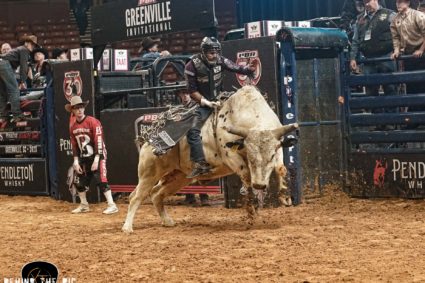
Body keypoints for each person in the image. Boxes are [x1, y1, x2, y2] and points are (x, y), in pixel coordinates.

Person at [184, 37, 256, 178]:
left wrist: (249, 69)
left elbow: (237, 68)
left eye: (216, 52)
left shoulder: (221, 60)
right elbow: (192, 91)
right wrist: (206, 102)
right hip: (202, 104)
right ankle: (200, 163)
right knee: (192, 131)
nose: (214, 55)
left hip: (221, 98)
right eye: (211, 53)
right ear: (203, 52)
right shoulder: (191, 66)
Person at [66, 96, 118, 214]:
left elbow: (99, 140)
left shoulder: (93, 122)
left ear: (84, 108)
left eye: (81, 107)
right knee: (78, 182)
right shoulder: (73, 127)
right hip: (84, 158)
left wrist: (96, 159)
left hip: (98, 155)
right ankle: (84, 205)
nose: (79, 110)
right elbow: (74, 144)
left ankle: (112, 204)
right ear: (73, 111)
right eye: (76, 108)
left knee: (101, 180)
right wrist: (75, 160)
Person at [350, 0, 397, 117]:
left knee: (390, 88)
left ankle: (392, 120)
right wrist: (352, 58)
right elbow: (355, 40)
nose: (366, 4)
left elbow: (398, 33)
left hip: (386, 57)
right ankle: (377, 120)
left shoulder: (390, 14)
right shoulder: (360, 19)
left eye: (368, 1)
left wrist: (398, 50)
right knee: (371, 91)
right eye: (364, 2)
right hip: (368, 59)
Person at [391, 0, 425, 115]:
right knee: (411, 85)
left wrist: (421, 49)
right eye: (397, 2)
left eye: (401, 2)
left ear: (407, 3)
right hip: (409, 56)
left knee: (422, 84)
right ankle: (415, 115)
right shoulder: (395, 19)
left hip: (422, 54)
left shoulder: (418, 15)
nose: (398, 4)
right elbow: (395, 37)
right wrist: (396, 50)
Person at [177, 90, 210, 206]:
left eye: (187, 94)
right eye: (183, 94)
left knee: (198, 167)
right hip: (186, 142)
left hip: (196, 141)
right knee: (188, 169)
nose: (185, 96)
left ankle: (204, 196)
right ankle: (190, 196)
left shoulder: (197, 107)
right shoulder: (180, 109)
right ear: (180, 96)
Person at [0, 35, 38, 122]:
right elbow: (24, 67)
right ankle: (17, 115)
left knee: (2, 93)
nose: (33, 47)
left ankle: (3, 116)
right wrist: (22, 81)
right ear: (27, 43)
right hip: (3, 64)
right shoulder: (24, 50)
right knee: (14, 90)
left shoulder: (20, 49)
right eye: (32, 44)